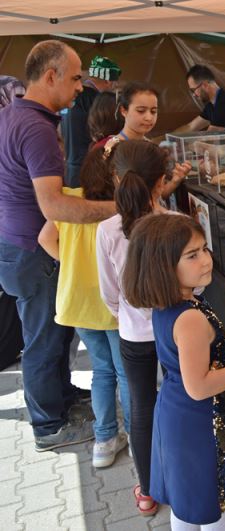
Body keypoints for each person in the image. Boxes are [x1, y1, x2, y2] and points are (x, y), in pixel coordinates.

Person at [0, 40, 116, 452]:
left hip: (16, 244)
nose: (81, 86)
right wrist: (119, 208)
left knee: (55, 333)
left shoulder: (14, 114)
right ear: (50, 76)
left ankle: (63, 397)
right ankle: (48, 425)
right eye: (75, 77)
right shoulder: (36, 128)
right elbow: (55, 206)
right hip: (32, 251)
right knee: (43, 340)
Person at [122, 214, 225, 530]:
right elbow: (199, 386)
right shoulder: (189, 318)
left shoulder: (178, 303)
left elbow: (191, 348)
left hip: (176, 415)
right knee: (209, 505)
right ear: (164, 267)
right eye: (192, 255)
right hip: (196, 423)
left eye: (204, 249)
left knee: (186, 501)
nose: (206, 260)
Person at [95, 139, 179, 516]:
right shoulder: (177, 225)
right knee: (184, 402)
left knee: (142, 407)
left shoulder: (106, 230)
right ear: (161, 182)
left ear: (117, 179)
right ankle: (183, 478)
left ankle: (147, 491)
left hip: (133, 335)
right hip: (176, 331)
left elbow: (109, 292)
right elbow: (196, 285)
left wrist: (127, 315)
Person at [37, 146, 131, 469]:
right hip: (113, 305)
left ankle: (104, 440)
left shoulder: (70, 200)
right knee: (126, 372)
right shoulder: (122, 209)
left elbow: (45, 239)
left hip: (78, 303)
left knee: (101, 371)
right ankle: (137, 437)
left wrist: (71, 264)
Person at [87, 81, 190, 200]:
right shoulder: (108, 148)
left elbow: (156, 197)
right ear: (123, 111)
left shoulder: (151, 147)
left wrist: (175, 181)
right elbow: (98, 195)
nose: (149, 118)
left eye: (153, 111)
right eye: (141, 111)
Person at [62, 55, 121, 187]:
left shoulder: (72, 95)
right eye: (114, 84)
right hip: (88, 167)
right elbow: (108, 131)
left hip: (70, 167)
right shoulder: (95, 99)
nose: (113, 88)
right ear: (108, 81)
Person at [176, 64, 225, 133]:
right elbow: (190, 127)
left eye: (193, 90)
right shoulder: (212, 105)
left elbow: (211, 135)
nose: (194, 94)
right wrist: (168, 137)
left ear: (205, 85)